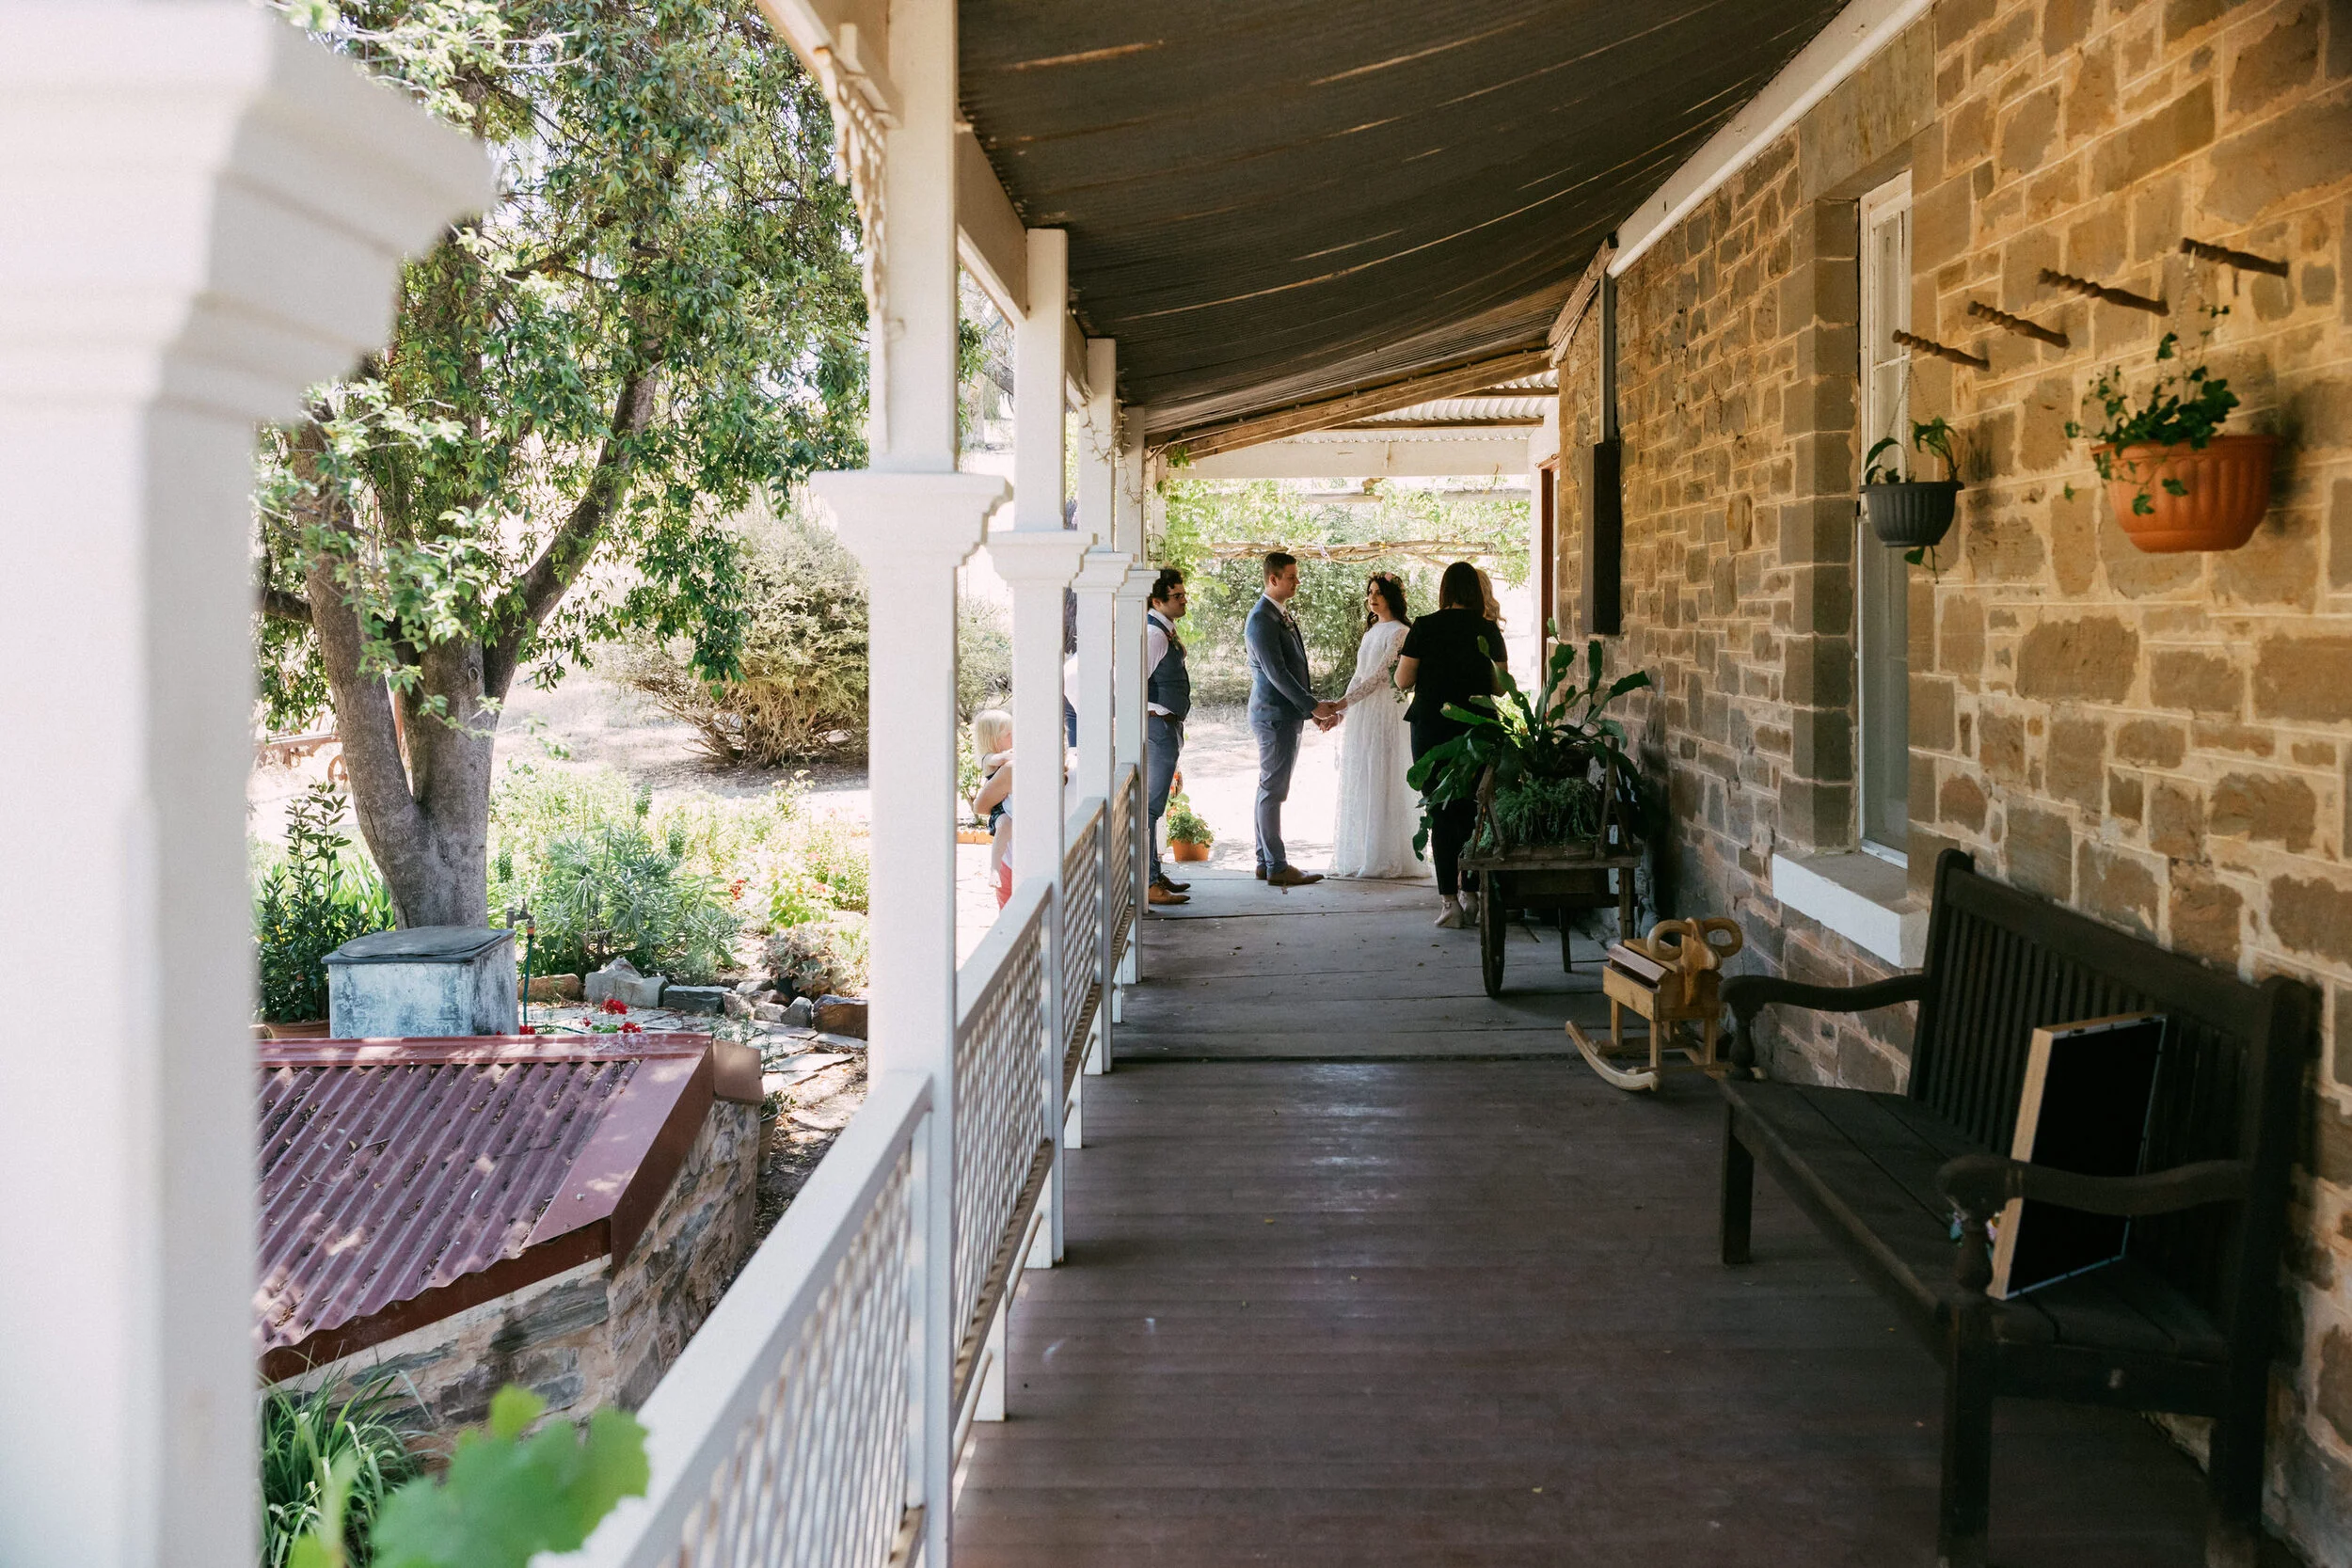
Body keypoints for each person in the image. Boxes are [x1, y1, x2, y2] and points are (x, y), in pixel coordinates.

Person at [1397, 561, 1506, 928]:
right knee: (1475, 809)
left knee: (1441, 809)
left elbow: (1402, 680)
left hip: (1431, 727)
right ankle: (1471, 893)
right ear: (1476, 592)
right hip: (1478, 728)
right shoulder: (1488, 629)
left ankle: (1449, 903)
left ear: (1445, 591)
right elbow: (1501, 686)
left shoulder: (1425, 626)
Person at [1243, 550, 1332, 888]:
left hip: (1282, 713)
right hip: (1273, 715)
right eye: (1291, 577)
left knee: (1269, 787)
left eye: (1297, 576)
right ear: (1273, 579)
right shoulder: (1261, 619)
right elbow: (1277, 673)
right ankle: (1277, 865)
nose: (1297, 582)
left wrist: (1309, 709)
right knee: (1273, 790)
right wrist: (1312, 706)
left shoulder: (1277, 614)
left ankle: (1265, 861)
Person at [1328, 573, 1422, 879]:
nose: (1373, 597)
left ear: (1393, 596)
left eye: (1379, 592)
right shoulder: (1371, 632)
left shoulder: (1401, 633)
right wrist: (1342, 711)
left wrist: (1342, 703)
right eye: (1370, 592)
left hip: (1385, 711)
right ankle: (1364, 852)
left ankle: (1384, 856)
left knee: (1384, 775)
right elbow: (1359, 675)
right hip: (1364, 714)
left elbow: (1382, 676)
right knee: (1365, 776)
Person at [1142, 567, 1191, 907]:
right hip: (1157, 726)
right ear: (1157, 600)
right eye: (1177, 596)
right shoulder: (1154, 635)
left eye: (1183, 594)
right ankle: (1147, 883)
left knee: (1156, 805)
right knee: (1150, 807)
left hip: (1167, 725)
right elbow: (1131, 682)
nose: (1183, 599)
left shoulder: (1164, 631)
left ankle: (1154, 874)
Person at [969, 708, 1015, 909]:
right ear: (993, 739)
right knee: (1005, 824)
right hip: (999, 808)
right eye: (1008, 734)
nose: (1014, 737)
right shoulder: (989, 757)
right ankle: (994, 868)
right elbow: (999, 760)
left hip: (1003, 802)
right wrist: (1007, 755)